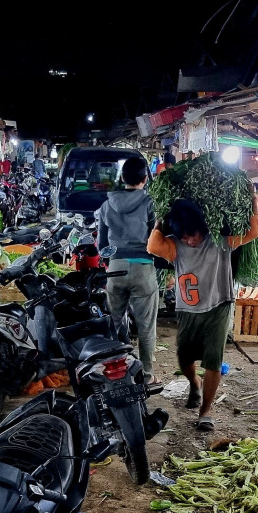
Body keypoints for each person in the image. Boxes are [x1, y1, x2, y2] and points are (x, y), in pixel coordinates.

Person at [148, 199, 258, 432]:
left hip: (218, 306)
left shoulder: (220, 243)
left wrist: (252, 199)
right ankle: (195, 384)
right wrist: (160, 218)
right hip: (187, 310)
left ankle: (206, 411)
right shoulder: (175, 245)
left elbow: (254, 231)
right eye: (184, 237)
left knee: (213, 361)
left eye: (192, 235)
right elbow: (152, 246)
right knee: (184, 357)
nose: (189, 241)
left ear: (203, 227)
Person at [97, 156, 158, 383]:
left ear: (122, 178)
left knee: (112, 322)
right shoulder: (151, 202)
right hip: (143, 267)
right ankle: (148, 375)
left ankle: (114, 373)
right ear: (145, 179)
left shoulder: (106, 204)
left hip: (115, 267)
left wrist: (109, 262)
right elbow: (156, 236)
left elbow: (101, 243)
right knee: (145, 326)